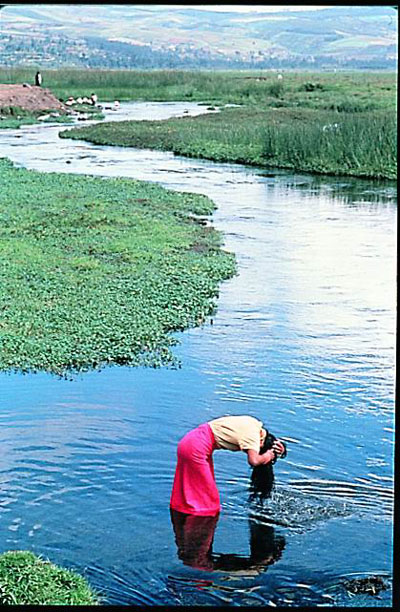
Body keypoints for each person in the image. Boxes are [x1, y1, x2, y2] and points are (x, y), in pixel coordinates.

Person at [170, 415, 286, 516]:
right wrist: (269, 456)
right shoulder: (252, 438)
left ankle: (184, 511)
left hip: (191, 440)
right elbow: (254, 461)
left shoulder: (254, 424)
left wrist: (281, 450)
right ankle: (200, 523)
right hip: (196, 448)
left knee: (196, 486)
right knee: (208, 498)